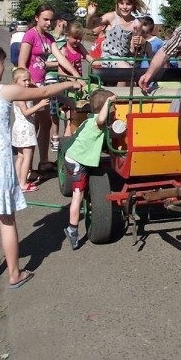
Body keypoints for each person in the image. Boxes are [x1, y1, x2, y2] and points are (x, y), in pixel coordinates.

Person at [0, 43, 81, 293]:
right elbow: (44, 91)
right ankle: (14, 273)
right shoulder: (4, 91)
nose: (3, 69)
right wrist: (69, 83)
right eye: (2, 63)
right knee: (6, 220)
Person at [18, 4, 82, 172]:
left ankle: (44, 161)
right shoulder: (30, 35)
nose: (48, 23)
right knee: (31, 126)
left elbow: (61, 58)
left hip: (41, 84)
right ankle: (28, 168)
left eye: (50, 20)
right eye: (45, 19)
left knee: (44, 123)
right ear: (36, 18)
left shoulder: (48, 38)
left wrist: (76, 75)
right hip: (30, 85)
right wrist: (28, 85)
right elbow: (21, 65)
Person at [62, 89, 115, 250]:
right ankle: (72, 229)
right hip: (76, 161)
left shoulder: (91, 119)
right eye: (113, 107)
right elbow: (102, 118)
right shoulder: (96, 122)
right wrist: (108, 102)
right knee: (78, 195)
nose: (115, 110)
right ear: (105, 107)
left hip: (77, 156)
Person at [86, 0, 147, 71]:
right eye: (121, 3)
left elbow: (133, 50)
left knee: (133, 70)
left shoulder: (136, 24)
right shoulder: (111, 17)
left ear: (133, 5)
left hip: (126, 58)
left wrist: (140, 43)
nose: (124, 7)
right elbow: (90, 26)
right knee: (126, 69)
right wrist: (90, 15)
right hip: (109, 57)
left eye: (128, 4)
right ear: (117, 4)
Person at [10, 68, 47, 193]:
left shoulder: (19, 92)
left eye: (28, 79)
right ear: (15, 81)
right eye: (24, 80)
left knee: (20, 156)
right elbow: (26, 112)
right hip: (25, 128)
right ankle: (23, 183)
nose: (27, 82)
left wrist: (33, 85)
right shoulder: (20, 96)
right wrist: (40, 105)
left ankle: (17, 180)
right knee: (27, 156)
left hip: (20, 127)